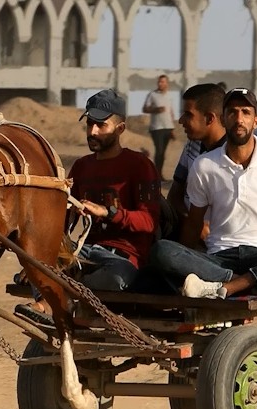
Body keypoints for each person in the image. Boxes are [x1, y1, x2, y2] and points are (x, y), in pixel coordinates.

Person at [147, 88, 257, 299]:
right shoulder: (204, 164)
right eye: (232, 112)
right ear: (223, 120)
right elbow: (195, 223)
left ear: (256, 121)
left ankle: (229, 286)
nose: (239, 119)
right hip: (221, 257)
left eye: (245, 112)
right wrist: (184, 260)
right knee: (163, 251)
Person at [17, 90, 161, 315]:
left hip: (120, 258)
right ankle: (51, 301)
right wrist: (40, 259)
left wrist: (108, 212)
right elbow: (62, 220)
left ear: (120, 129)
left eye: (101, 126)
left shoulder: (140, 165)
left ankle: (59, 299)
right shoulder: (82, 166)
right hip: (85, 252)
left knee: (118, 276)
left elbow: (149, 222)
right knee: (35, 254)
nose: (92, 132)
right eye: (90, 125)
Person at [169, 83, 229, 223]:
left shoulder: (234, 155)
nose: (181, 120)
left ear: (209, 118)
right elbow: (174, 196)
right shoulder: (192, 146)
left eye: (188, 115)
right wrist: (193, 223)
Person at [142, 74, 177, 179]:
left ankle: (159, 174)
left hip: (168, 127)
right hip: (156, 128)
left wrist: (172, 129)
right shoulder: (152, 95)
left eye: (162, 82)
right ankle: (156, 174)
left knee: (163, 153)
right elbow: (145, 109)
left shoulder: (170, 96)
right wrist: (156, 110)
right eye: (159, 82)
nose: (160, 84)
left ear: (167, 83)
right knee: (159, 151)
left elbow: (171, 112)